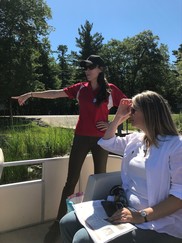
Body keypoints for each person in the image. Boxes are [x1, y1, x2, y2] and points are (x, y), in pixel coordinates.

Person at [12, 55, 127, 230]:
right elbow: (55, 93)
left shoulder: (110, 90)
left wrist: (113, 124)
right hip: (80, 137)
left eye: (91, 67)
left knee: (99, 178)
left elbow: (129, 107)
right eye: (85, 67)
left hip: (102, 139)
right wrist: (30, 94)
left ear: (101, 69)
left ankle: (97, 219)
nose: (87, 71)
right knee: (71, 180)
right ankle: (60, 221)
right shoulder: (80, 88)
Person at [60, 90, 182, 243]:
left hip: (159, 221)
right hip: (125, 208)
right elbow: (106, 142)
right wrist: (118, 117)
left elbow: (179, 196)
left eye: (133, 110)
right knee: (67, 223)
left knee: (82, 239)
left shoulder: (177, 146)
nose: (130, 113)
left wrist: (140, 215)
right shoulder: (136, 140)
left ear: (149, 112)